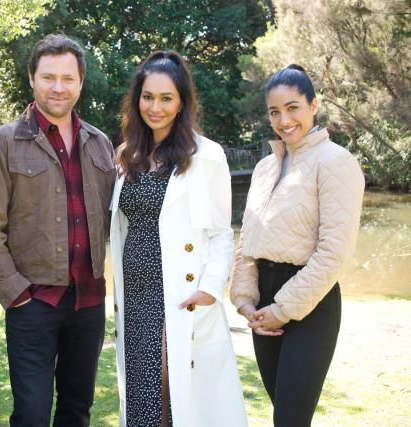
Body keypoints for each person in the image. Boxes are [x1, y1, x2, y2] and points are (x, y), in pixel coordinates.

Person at [0, 34, 115, 427]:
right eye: (48, 77)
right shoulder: (2, 143)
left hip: (88, 302)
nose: (58, 87)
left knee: (76, 411)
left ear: (81, 82)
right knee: (31, 415)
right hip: (33, 302)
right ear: (32, 78)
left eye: (68, 78)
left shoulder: (100, 144)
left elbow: (116, 221)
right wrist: (15, 293)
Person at [110, 50, 247, 427]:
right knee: (139, 392)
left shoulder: (206, 156)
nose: (155, 107)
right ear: (136, 99)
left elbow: (221, 232)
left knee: (173, 396)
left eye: (166, 98)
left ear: (182, 102)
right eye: (148, 96)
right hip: (134, 295)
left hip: (178, 293)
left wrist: (211, 286)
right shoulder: (127, 155)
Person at [230, 64, 365, 427]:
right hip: (263, 304)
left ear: (314, 105)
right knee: (282, 415)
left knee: (291, 419)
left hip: (311, 304)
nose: (284, 119)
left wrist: (284, 308)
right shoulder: (263, 169)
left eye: (293, 107)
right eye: (275, 112)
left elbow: (334, 252)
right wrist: (245, 300)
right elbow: (248, 241)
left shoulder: (336, 162)